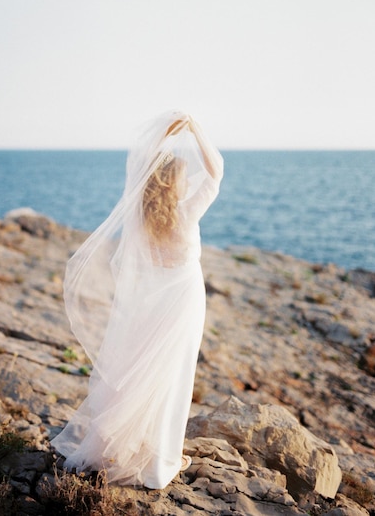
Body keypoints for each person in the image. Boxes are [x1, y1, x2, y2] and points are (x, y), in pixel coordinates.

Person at [51, 110, 223, 489]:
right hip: (184, 302)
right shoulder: (187, 213)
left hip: (153, 303)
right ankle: (158, 460)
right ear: (175, 183)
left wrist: (162, 138)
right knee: (173, 377)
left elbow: (139, 164)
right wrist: (193, 128)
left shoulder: (140, 220)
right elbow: (216, 171)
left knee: (141, 375)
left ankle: (126, 449)